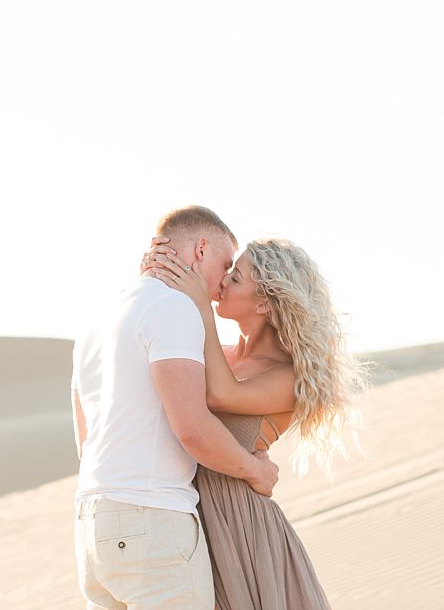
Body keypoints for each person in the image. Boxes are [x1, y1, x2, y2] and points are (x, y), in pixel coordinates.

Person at [142, 234, 367, 610]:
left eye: (237, 276)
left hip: (238, 522)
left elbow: (220, 394)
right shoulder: (217, 352)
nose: (223, 280)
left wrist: (199, 307)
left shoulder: (288, 378)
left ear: (264, 301)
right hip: (183, 513)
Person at [72, 206, 280, 610]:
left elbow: (84, 438)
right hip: (152, 523)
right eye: (224, 265)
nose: (223, 283)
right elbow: (192, 427)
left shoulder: (100, 317)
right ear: (200, 248)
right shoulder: (174, 307)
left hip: (91, 524)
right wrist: (255, 469)